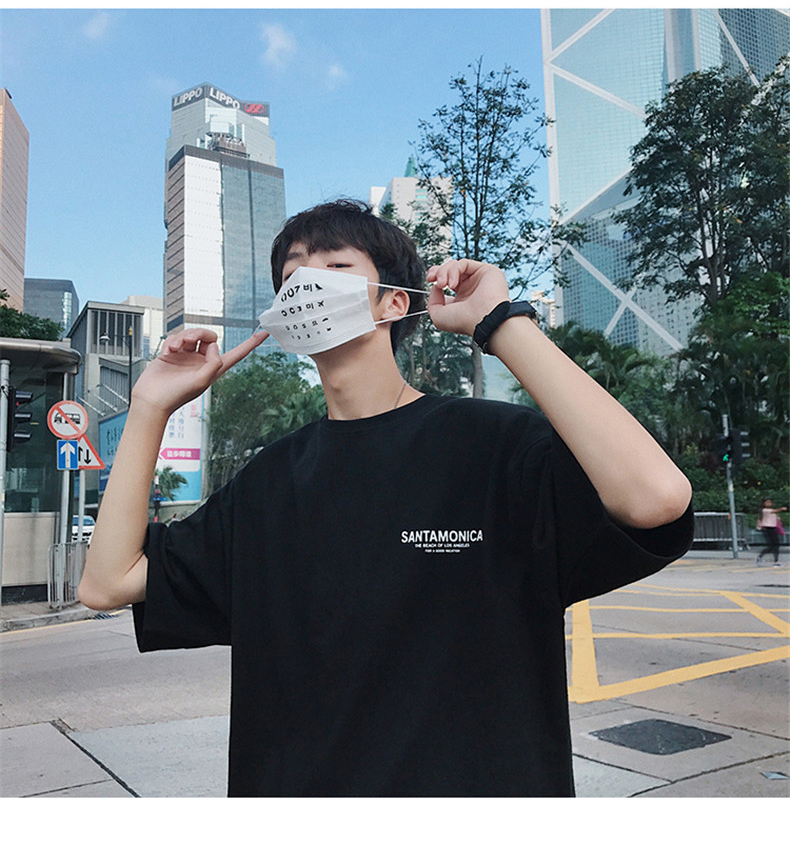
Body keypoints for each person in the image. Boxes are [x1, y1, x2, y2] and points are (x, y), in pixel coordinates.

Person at [78, 199, 693, 797]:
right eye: (292, 275)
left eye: (335, 266)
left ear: (395, 301)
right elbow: (107, 583)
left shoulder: (494, 446)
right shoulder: (267, 483)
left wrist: (501, 322)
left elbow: (657, 498)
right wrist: (150, 406)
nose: (308, 285)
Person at [756, 498, 786, 567]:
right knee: (771, 546)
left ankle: (776, 561)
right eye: (767, 502)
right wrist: (782, 509)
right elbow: (775, 511)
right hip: (767, 529)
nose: (769, 504)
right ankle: (760, 557)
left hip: (773, 528)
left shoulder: (771, 511)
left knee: (776, 545)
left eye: (770, 502)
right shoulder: (764, 510)